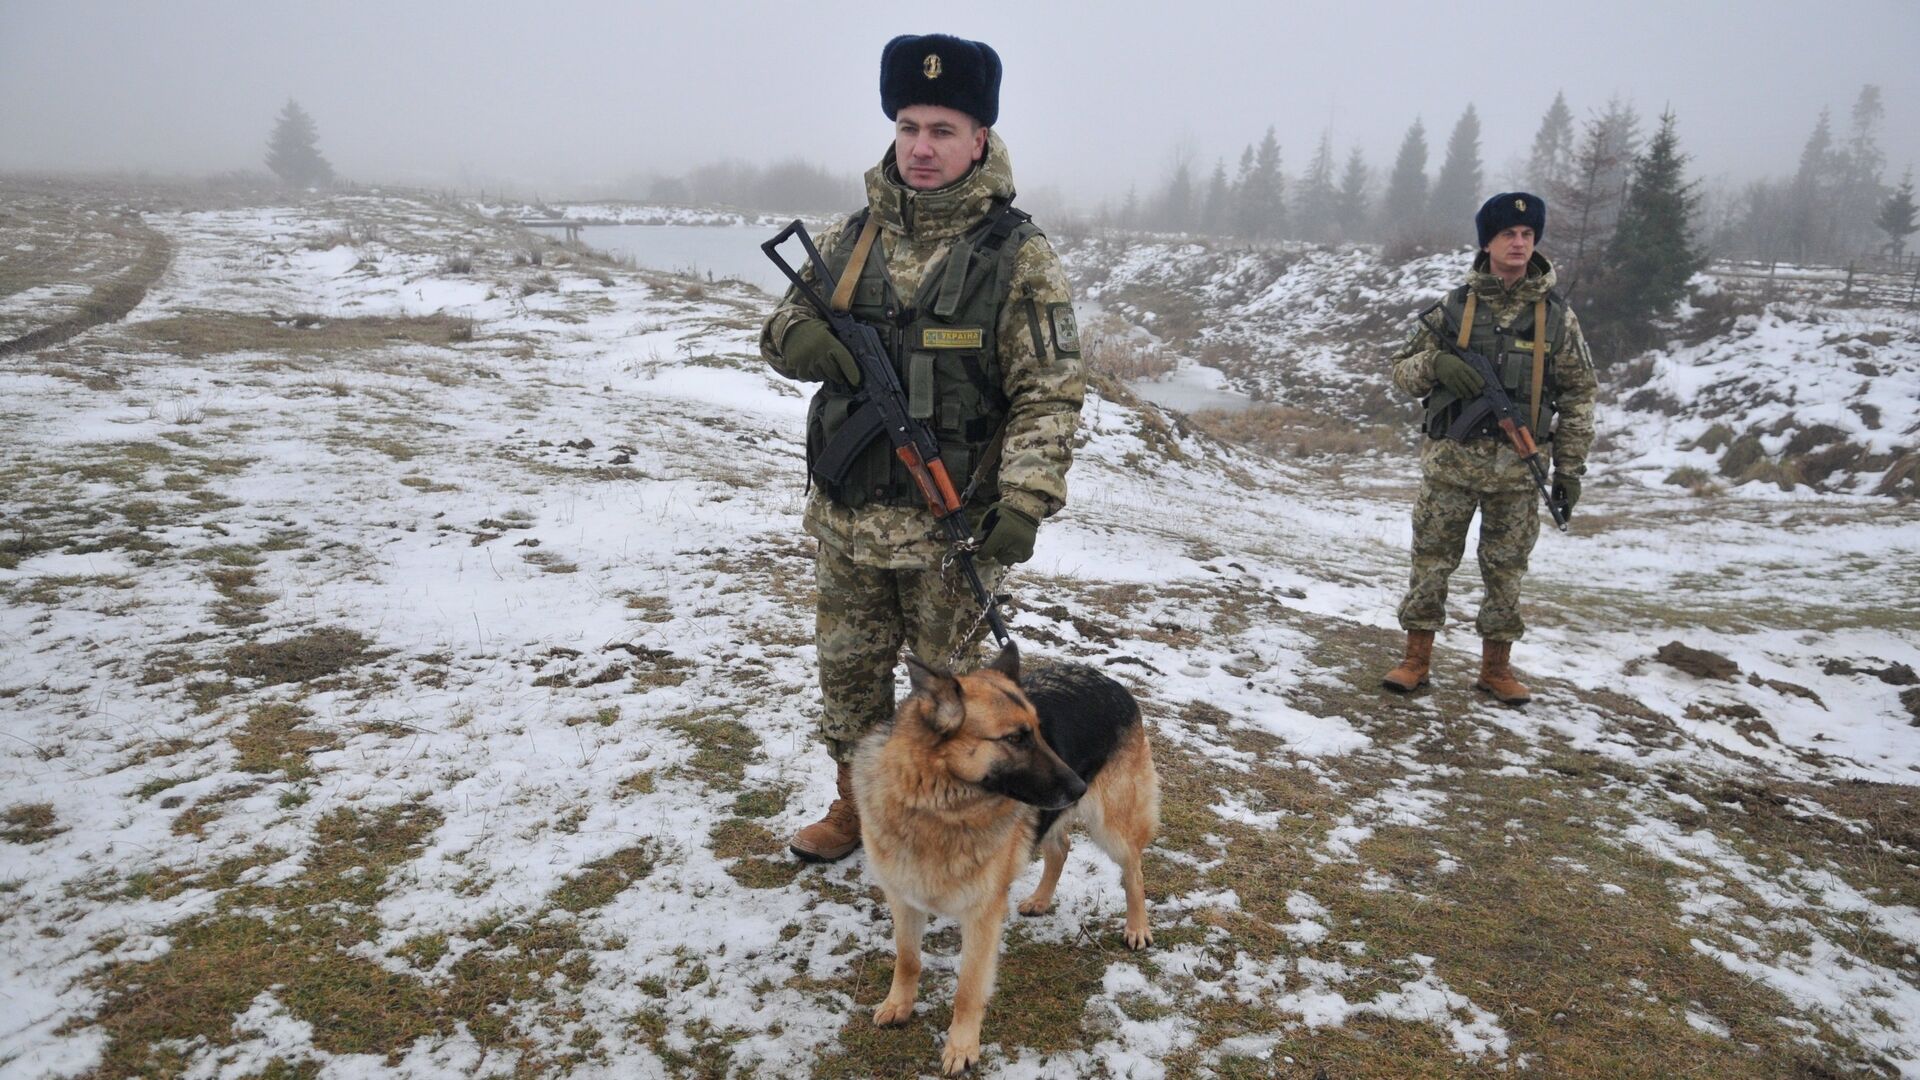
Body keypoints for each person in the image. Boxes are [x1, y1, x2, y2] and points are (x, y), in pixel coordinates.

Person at [759, 33, 1085, 862]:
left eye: (943, 128)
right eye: (909, 125)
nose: (922, 147)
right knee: (850, 681)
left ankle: (947, 837)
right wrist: (798, 343)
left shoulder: (1020, 257)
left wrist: (1026, 500)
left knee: (960, 704)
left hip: (954, 531)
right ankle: (858, 809)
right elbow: (781, 325)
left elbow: (1048, 391)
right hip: (847, 521)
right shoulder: (850, 237)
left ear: (980, 138)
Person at [1381, 192, 1597, 704]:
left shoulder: (1557, 317)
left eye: (1526, 235)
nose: (1519, 243)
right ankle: (1416, 660)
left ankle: (1496, 670)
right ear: (1489, 243)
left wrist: (1570, 468)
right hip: (1450, 466)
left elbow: (1579, 394)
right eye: (1508, 235)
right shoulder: (1455, 308)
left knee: (1506, 572)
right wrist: (1435, 366)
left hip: (1519, 473)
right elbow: (1401, 371)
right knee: (1431, 562)